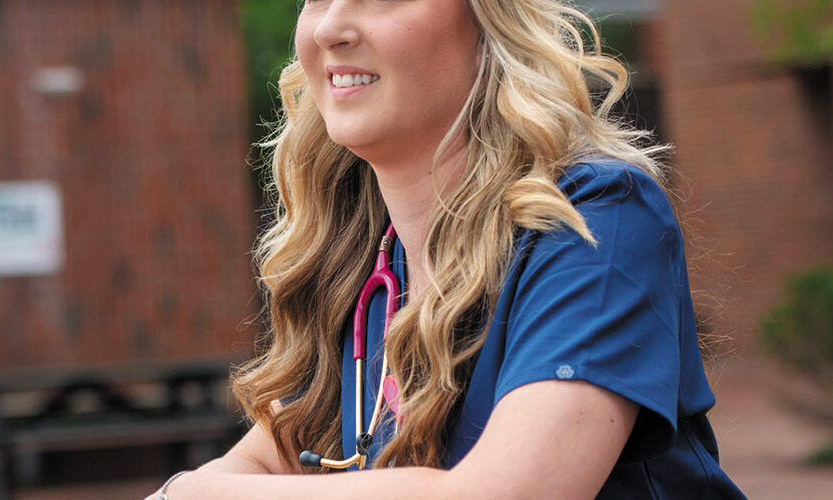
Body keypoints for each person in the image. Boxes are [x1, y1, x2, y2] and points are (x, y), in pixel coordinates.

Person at [148, 0, 744, 498]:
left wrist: (191, 492)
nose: (330, 25)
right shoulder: (364, 269)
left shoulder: (597, 217)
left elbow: (510, 494)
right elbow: (259, 462)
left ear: (488, 22)